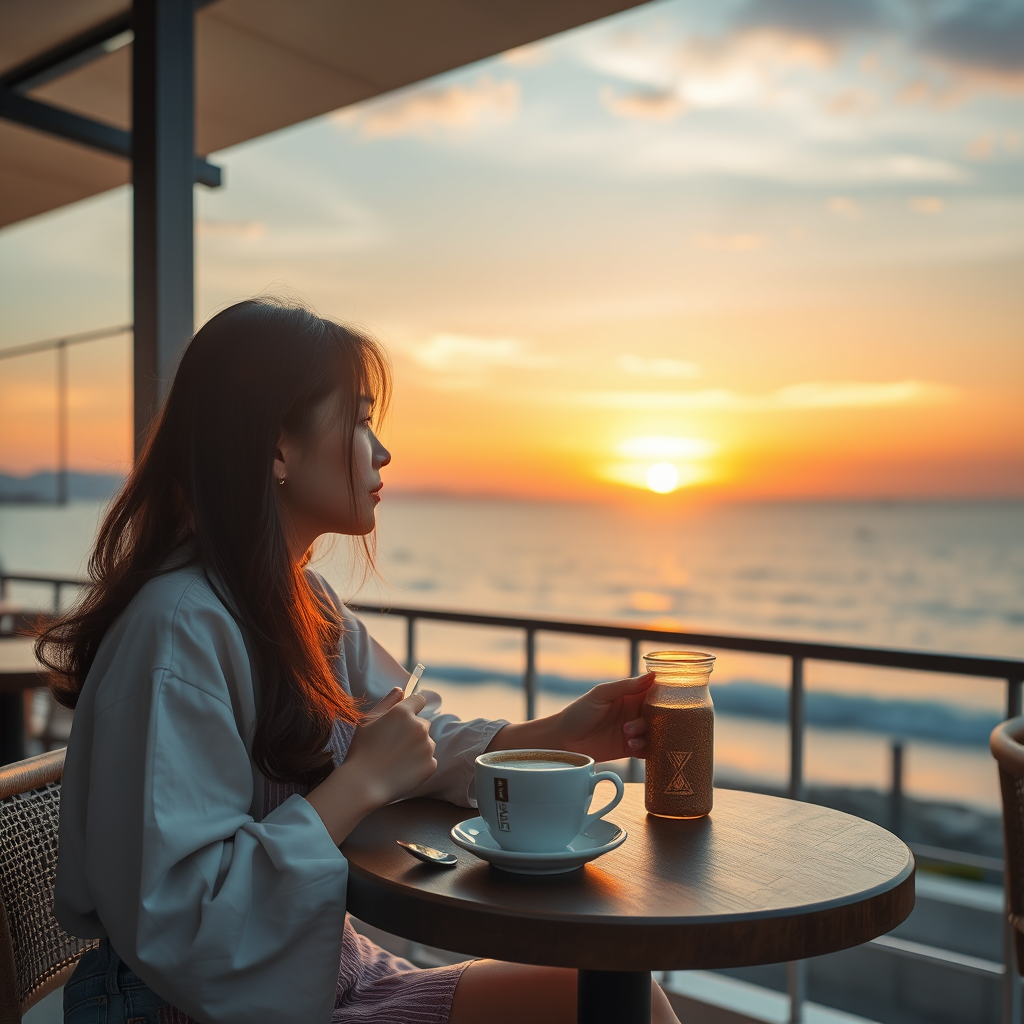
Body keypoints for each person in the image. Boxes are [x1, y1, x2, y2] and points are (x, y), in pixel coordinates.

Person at [40, 298, 681, 1024]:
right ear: (277, 448)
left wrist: (560, 737)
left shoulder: (303, 603)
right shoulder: (177, 632)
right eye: (359, 420)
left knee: (624, 1002)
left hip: (323, 980)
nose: (381, 451)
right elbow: (185, 924)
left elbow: (411, 740)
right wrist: (359, 782)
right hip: (181, 1007)